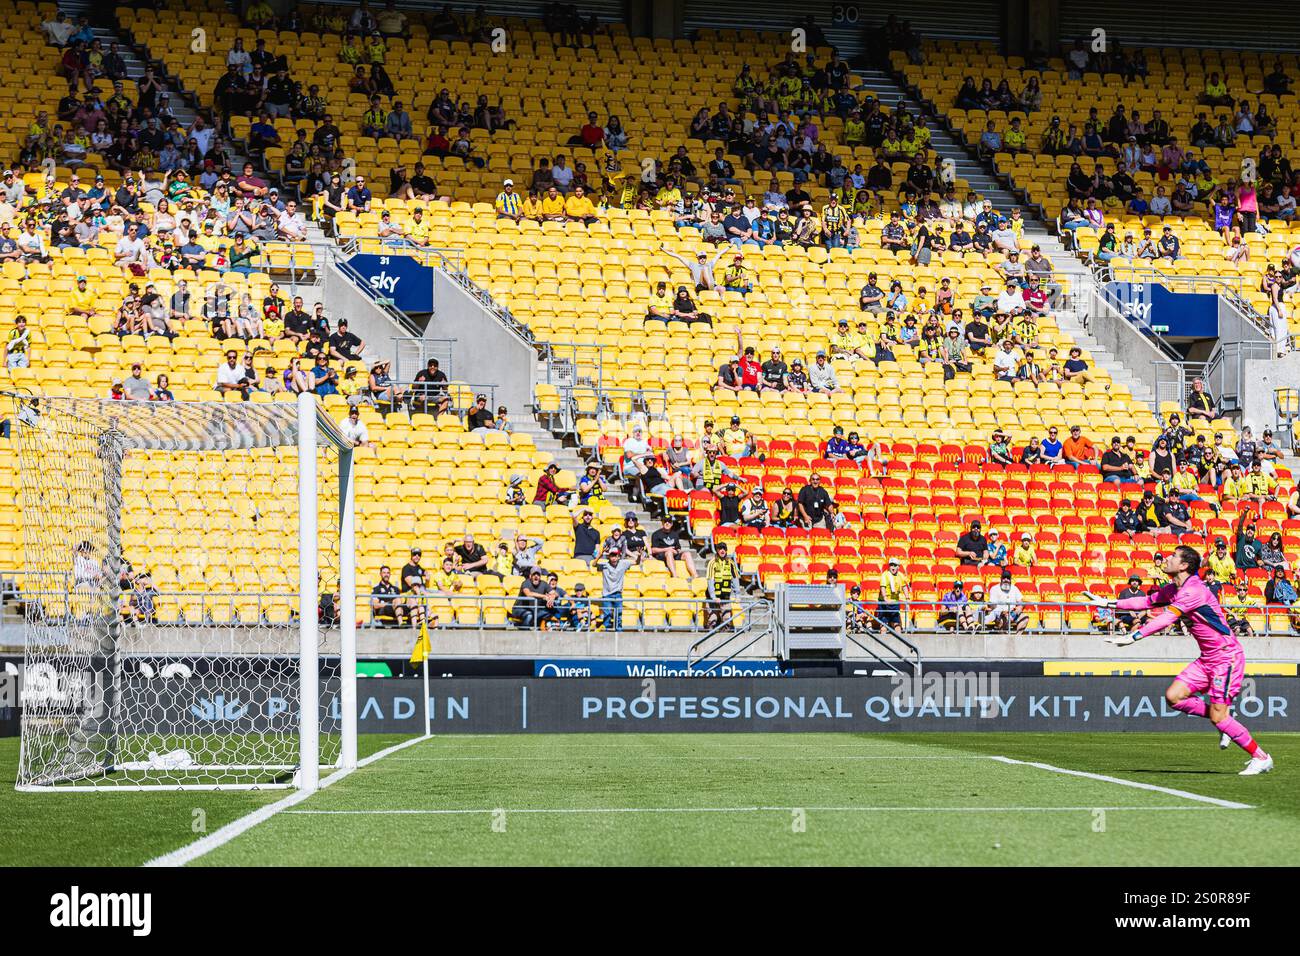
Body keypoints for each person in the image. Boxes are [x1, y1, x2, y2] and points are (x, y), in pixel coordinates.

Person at [1097, 546, 1273, 774]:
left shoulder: (1193, 591)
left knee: (1219, 718)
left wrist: (1134, 636)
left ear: (1183, 565)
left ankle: (1261, 757)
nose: (1167, 558)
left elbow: (1166, 618)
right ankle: (1222, 717)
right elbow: (1147, 601)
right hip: (1207, 659)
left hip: (1226, 658)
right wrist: (1109, 603)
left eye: (1172, 556)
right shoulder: (1174, 589)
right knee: (1173, 696)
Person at [703, 542, 741, 630]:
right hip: (713, 596)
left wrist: (737, 595)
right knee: (713, 619)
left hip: (725, 596)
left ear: (726, 550)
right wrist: (713, 597)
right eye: (720, 549)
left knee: (727, 619)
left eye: (724, 549)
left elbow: (735, 579)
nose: (722, 551)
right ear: (717, 550)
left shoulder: (731, 563)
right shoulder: (712, 562)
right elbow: (710, 580)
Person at [876, 557, 910, 633]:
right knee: (883, 626)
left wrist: (907, 598)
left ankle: (899, 643)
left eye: (895, 565)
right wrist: (885, 598)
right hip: (884, 603)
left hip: (894, 603)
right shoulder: (885, 575)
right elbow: (883, 587)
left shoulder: (901, 575)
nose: (893, 567)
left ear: (898, 566)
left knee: (897, 626)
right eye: (891, 565)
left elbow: (904, 587)